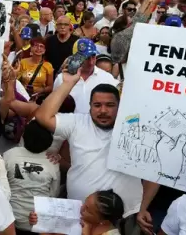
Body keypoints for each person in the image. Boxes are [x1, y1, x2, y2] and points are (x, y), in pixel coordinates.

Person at [35, 70, 142, 218]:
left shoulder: (136, 126)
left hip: (127, 215)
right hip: (80, 215)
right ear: (89, 106)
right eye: (97, 105)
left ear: (119, 106)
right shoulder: (77, 123)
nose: (103, 110)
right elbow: (42, 116)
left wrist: (144, 207)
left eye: (110, 105)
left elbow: (155, 171)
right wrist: (68, 83)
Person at [3, 120, 59, 235]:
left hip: (11, 221)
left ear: (24, 136)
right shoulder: (52, 161)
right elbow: (54, 194)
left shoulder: (9, 155)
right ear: (49, 141)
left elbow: (1, 188)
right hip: (39, 223)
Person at [29, 190, 126, 235]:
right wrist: (38, 220)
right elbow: (50, 230)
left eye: (87, 210)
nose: (81, 208)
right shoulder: (73, 212)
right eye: (85, 202)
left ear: (103, 222)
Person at [16, 37, 54, 101]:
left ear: (44, 50)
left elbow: (50, 87)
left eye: (41, 46)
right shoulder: (22, 62)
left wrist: (40, 90)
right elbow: (17, 80)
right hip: (23, 96)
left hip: (39, 98)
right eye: (35, 46)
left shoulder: (48, 66)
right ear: (31, 48)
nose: (38, 48)